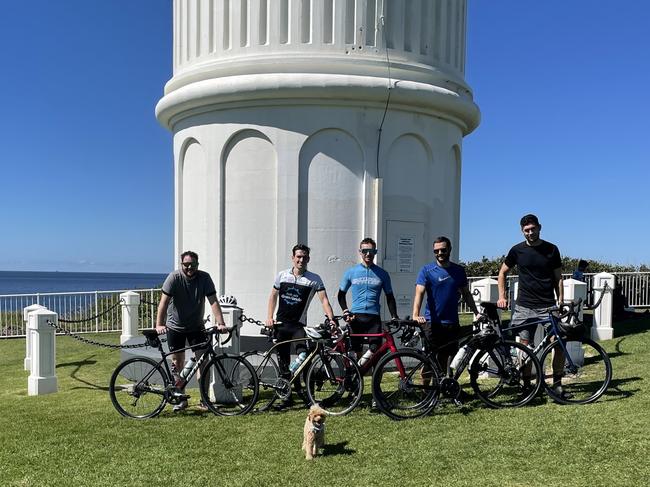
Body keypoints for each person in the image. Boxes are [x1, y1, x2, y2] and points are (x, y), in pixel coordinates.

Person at [496, 214, 565, 395]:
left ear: (539, 227)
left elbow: (558, 278)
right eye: (527, 230)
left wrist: (561, 300)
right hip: (524, 306)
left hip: (548, 305)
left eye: (533, 229)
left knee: (558, 343)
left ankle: (557, 383)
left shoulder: (552, 249)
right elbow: (502, 272)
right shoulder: (516, 251)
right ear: (522, 231)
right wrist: (502, 297)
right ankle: (526, 385)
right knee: (525, 347)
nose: (530, 233)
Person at [155, 250, 227, 412]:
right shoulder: (174, 278)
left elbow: (213, 301)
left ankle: (204, 400)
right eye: (186, 265)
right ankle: (180, 398)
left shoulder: (204, 278)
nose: (189, 268)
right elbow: (163, 303)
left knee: (204, 362)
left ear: (197, 265)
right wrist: (159, 324)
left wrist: (221, 323)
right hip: (175, 327)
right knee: (177, 362)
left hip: (196, 327)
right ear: (181, 265)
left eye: (192, 265)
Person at [266, 244, 335, 409]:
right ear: (293, 258)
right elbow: (272, 296)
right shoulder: (282, 275)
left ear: (308, 259)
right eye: (298, 256)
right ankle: (286, 397)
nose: (301, 260)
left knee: (304, 357)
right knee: (283, 360)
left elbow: (324, 300)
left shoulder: (314, 279)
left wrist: (331, 319)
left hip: (298, 326)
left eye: (304, 257)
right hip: (281, 325)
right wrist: (269, 317)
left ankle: (308, 395)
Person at [412, 236, 480, 378]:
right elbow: (419, 292)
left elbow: (466, 294)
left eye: (443, 250)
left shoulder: (459, 270)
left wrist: (476, 312)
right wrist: (415, 315)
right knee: (429, 360)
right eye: (436, 251)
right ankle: (426, 396)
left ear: (449, 249)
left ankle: (440, 390)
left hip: (451, 323)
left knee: (447, 358)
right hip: (432, 323)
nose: (440, 253)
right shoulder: (427, 270)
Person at [338, 238, 399, 363]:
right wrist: (345, 311)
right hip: (356, 317)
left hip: (373, 318)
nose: (368, 254)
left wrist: (394, 316)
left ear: (375, 252)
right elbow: (341, 295)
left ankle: (367, 373)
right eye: (365, 251)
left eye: (371, 251)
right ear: (360, 252)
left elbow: (390, 297)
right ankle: (357, 376)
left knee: (375, 350)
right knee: (355, 350)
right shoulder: (351, 272)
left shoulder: (382, 273)